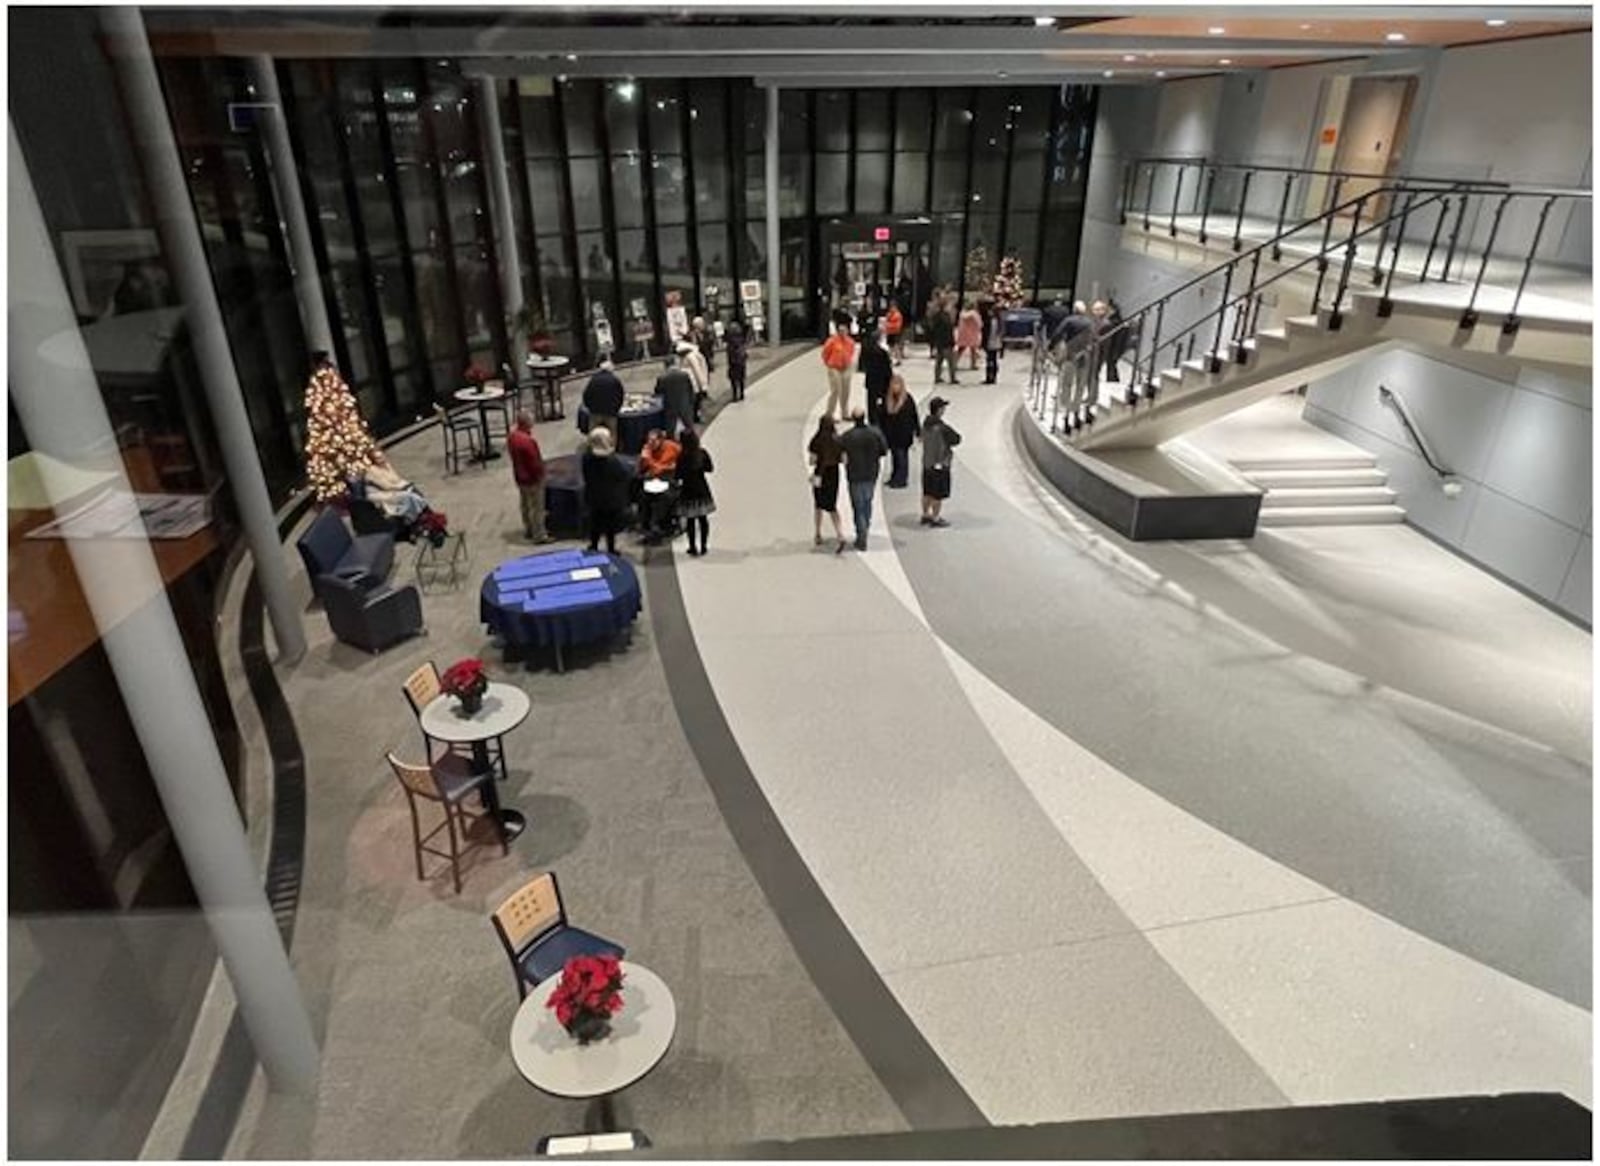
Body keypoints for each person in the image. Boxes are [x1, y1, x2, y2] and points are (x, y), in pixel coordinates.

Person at [838, 406, 888, 552]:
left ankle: (861, 534)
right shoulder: (875, 433)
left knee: (857, 506)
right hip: (871, 473)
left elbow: (838, 449)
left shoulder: (847, 436)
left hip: (854, 474)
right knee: (867, 502)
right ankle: (866, 524)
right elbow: (883, 450)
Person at [581, 427, 632, 555]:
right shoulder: (612, 462)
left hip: (593, 497)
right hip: (611, 500)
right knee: (610, 526)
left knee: (595, 523)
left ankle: (593, 545)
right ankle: (611, 548)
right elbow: (623, 475)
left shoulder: (586, 458)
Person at [507, 409, 552, 543]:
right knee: (538, 507)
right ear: (527, 423)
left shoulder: (512, 437)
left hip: (520, 477)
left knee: (525, 504)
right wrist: (541, 475)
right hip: (532, 479)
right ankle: (540, 535)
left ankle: (529, 528)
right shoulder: (528, 442)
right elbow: (534, 463)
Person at [807, 414, 847, 554]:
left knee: (818, 504)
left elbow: (812, 461)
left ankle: (818, 533)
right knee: (832, 505)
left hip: (820, 474)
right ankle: (840, 534)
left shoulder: (816, 441)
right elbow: (844, 459)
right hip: (833, 474)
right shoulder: (838, 440)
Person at [919, 396, 961, 528]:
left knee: (927, 492)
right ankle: (936, 517)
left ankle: (925, 514)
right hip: (940, 464)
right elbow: (957, 439)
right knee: (937, 495)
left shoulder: (925, 425)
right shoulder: (942, 428)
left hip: (927, 463)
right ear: (939, 410)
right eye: (943, 408)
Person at [674, 427, 716, 557]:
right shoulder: (701, 453)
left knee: (690, 521)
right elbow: (710, 468)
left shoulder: (682, 457)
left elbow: (678, 475)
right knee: (703, 519)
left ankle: (692, 546)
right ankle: (704, 546)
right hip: (701, 488)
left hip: (688, 490)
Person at [637, 428, 682, 541]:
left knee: (664, 498)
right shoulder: (647, 448)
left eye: (653, 441)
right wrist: (643, 460)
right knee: (642, 494)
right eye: (649, 441)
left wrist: (648, 459)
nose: (650, 444)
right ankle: (644, 524)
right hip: (654, 480)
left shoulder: (671, 448)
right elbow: (641, 469)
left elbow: (658, 469)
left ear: (661, 440)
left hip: (671, 480)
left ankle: (656, 524)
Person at [879, 374, 920, 490]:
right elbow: (882, 416)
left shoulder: (907, 399)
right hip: (891, 435)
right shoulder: (887, 399)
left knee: (902, 456)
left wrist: (917, 431)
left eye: (898, 384)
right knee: (894, 457)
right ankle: (894, 476)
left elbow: (914, 416)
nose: (895, 387)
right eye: (893, 384)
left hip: (903, 434)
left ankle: (902, 479)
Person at [820, 322, 856, 420]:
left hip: (846, 368)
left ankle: (845, 413)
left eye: (844, 331)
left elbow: (851, 353)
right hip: (834, 367)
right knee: (835, 390)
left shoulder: (850, 342)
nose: (842, 333)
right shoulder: (831, 341)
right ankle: (829, 413)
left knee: (846, 391)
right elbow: (825, 353)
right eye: (840, 331)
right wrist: (829, 364)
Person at [858, 326, 893, 427]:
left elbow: (862, 361)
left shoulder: (866, 348)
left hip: (871, 378)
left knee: (871, 401)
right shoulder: (882, 352)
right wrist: (890, 378)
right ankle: (882, 418)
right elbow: (887, 368)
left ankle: (872, 419)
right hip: (882, 379)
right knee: (883, 399)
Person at [582, 357, 625, 438]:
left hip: (595, 411)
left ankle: (593, 448)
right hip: (610, 412)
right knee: (612, 433)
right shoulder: (614, 380)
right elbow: (620, 395)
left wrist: (590, 407)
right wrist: (616, 408)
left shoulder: (593, 379)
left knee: (593, 433)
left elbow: (586, 395)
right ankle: (611, 448)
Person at [656, 354, 697, 437]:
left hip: (670, 407)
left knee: (670, 431)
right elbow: (691, 390)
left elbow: (658, 393)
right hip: (684, 405)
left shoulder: (662, 378)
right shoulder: (684, 375)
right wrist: (692, 402)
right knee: (689, 427)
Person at [927, 297, 957, 385]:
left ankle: (938, 377)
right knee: (950, 361)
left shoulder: (939, 315)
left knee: (940, 360)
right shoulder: (943, 316)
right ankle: (952, 378)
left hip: (941, 341)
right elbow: (947, 328)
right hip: (945, 341)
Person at [678, 340, 710, 420]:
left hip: (694, 382)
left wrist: (703, 385)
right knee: (695, 400)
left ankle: (696, 416)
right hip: (692, 382)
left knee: (695, 401)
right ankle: (695, 415)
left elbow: (697, 370)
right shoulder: (693, 355)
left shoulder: (690, 357)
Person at [980, 299, 1004, 385]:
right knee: (993, 360)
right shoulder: (999, 321)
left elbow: (986, 332)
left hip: (991, 342)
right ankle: (992, 377)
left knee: (990, 360)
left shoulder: (991, 321)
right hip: (995, 343)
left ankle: (990, 377)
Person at [956, 300, 983, 371]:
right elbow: (979, 323)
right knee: (972, 350)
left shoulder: (962, 313)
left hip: (963, 333)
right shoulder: (974, 314)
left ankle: (954, 363)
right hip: (972, 333)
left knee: (961, 349)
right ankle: (973, 364)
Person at [725, 321, 748, 402]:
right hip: (741, 362)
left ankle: (735, 395)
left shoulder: (730, 340)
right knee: (741, 379)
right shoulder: (741, 338)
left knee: (734, 380)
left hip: (734, 362)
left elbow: (730, 352)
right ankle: (741, 394)